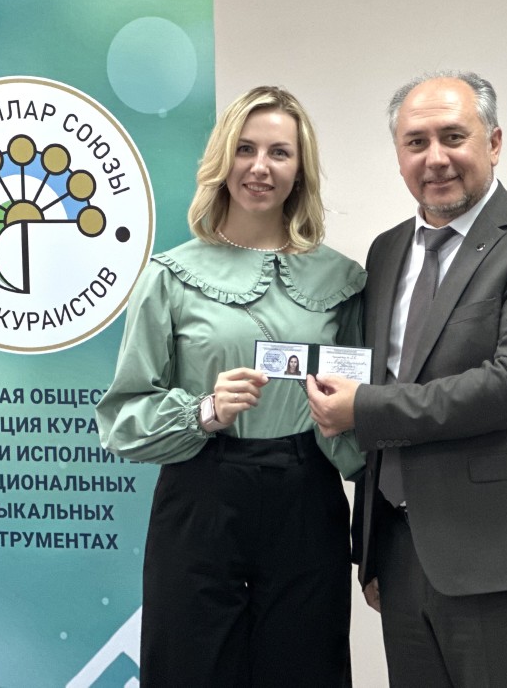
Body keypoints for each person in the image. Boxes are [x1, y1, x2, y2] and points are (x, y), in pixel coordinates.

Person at [307, 71, 507, 687]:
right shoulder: (386, 252)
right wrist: (371, 547)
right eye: (416, 142)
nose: (434, 158)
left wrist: (364, 409)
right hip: (401, 558)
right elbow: (386, 372)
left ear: (494, 142)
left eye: (453, 137)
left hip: (505, 562)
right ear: (398, 156)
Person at [95, 86, 366, 687]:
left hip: (306, 497)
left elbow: (357, 423)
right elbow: (121, 418)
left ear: (300, 169)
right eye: (245, 149)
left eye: (279, 152)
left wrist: (346, 423)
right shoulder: (169, 277)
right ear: (222, 160)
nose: (260, 167)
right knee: (189, 669)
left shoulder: (344, 281)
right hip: (201, 495)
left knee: (307, 671)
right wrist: (204, 411)